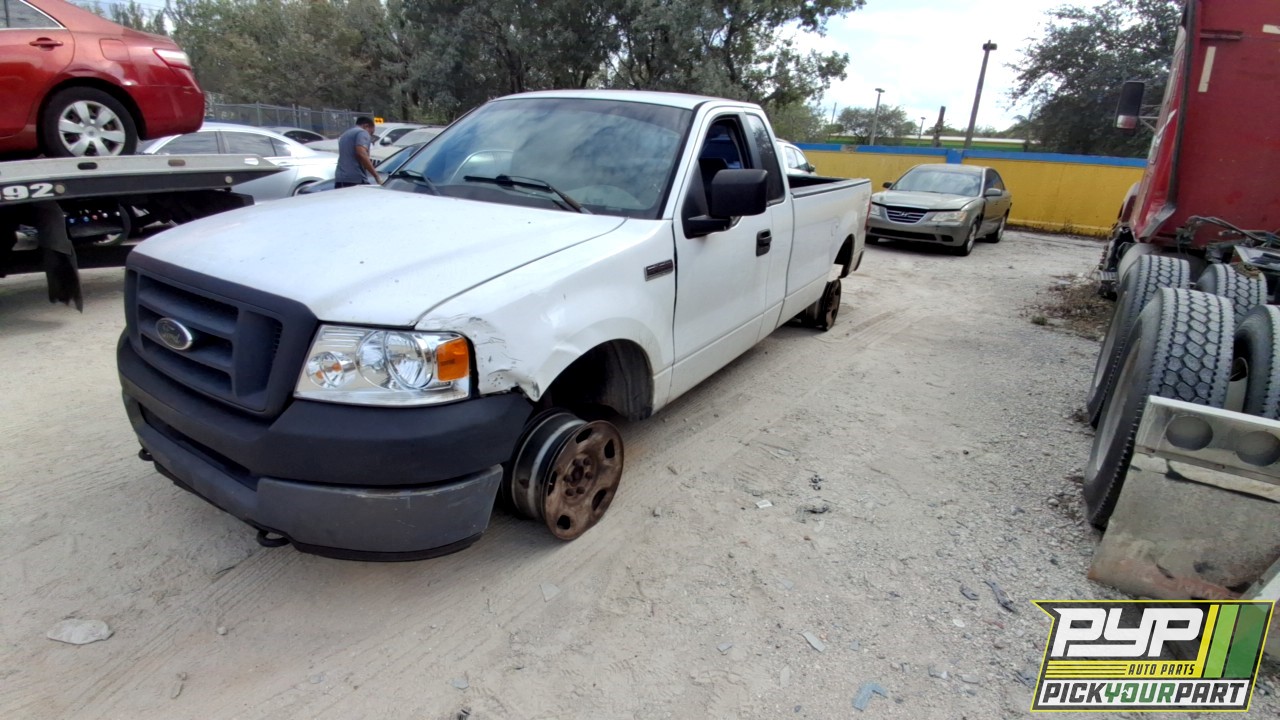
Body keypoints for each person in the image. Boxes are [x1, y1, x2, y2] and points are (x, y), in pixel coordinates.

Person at [334, 116, 380, 189]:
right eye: (371, 133)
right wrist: (376, 175)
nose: (369, 136)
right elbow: (361, 153)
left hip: (340, 178)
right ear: (366, 126)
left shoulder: (345, 134)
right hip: (355, 178)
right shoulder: (362, 132)